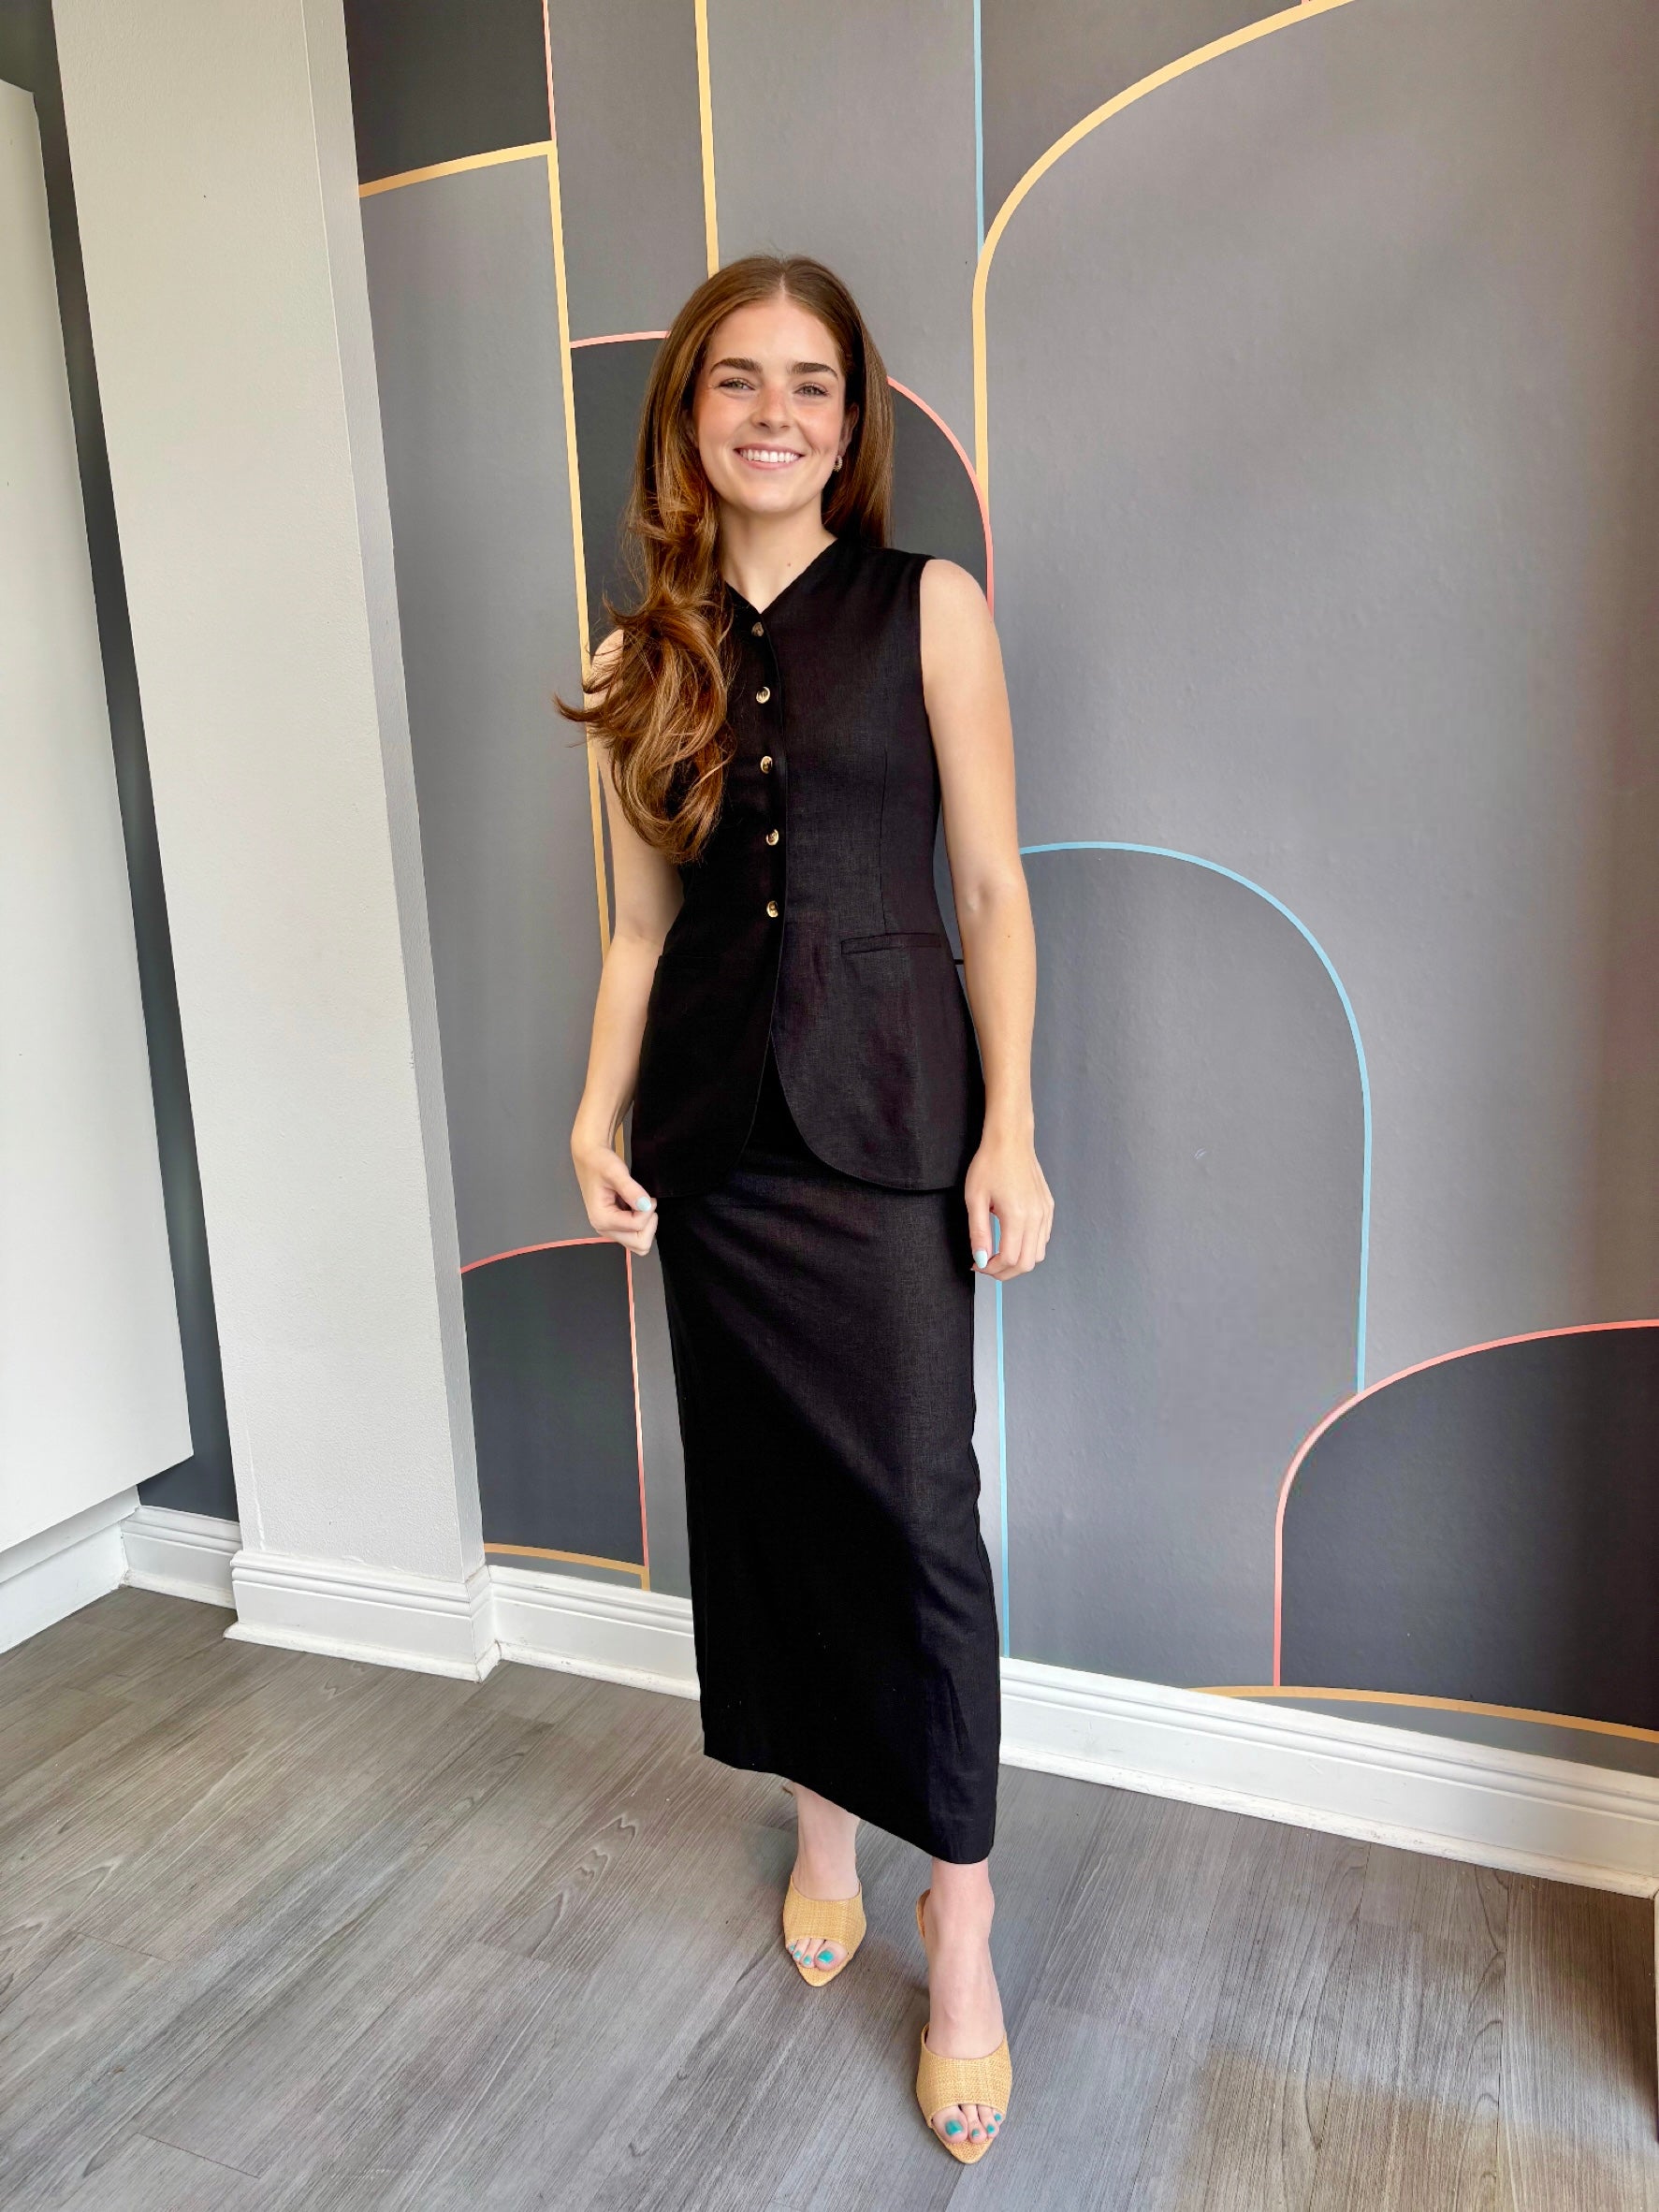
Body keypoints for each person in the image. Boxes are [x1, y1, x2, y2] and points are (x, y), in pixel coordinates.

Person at [564, 254, 1053, 2165]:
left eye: (811, 384)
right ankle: (823, 1830)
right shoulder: (637, 653)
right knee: (767, 1506)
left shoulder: (928, 607)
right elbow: (637, 930)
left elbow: (989, 890)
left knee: (916, 1521)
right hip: (714, 1143)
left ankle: (962, 1924)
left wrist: (1011, 1129)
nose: (774, 412)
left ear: (848, 424)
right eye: (737, 380)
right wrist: (593, 1117)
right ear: (687, 414)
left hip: (890, 1123)